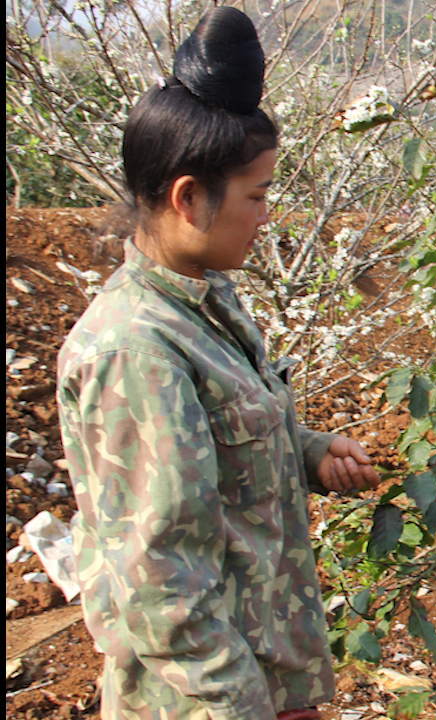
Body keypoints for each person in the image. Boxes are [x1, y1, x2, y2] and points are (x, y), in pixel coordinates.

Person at [55, 8, 380, 719]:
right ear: (188, 197)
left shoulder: (207, 303)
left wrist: (311, 453)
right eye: (257, 196)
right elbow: (161, 586)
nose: (266, 216)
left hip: (265, 668)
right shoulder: (137, 353)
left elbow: (224, 444)